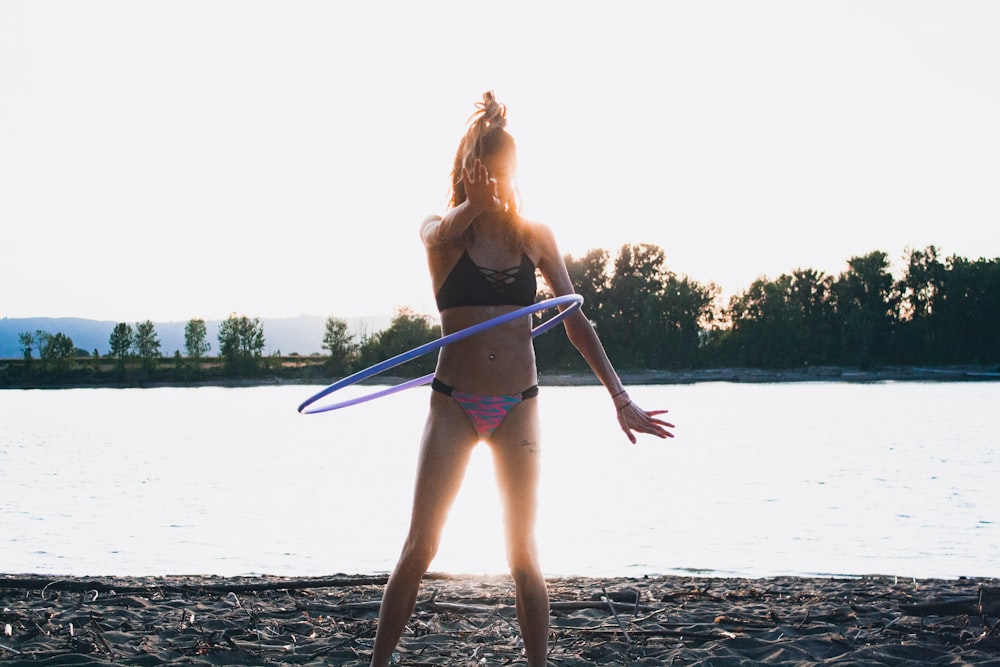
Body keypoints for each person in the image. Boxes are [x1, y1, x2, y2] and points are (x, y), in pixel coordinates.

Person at [369, 91, 674, 667]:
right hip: (454, 405)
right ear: (465, 170)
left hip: (519, 406)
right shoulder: (441, 232)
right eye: (482, 171)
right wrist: (473, 206)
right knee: (420, 547)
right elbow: (440, 230)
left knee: (524, 556)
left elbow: (575, 320)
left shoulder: (535, 234)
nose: (494, 181)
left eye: (502, 172)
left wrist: (619, 396)